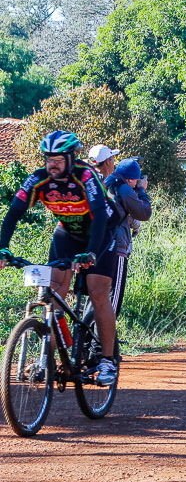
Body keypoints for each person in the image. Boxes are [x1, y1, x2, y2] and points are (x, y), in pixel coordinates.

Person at [0, 131, 119, 385]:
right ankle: (48, 357)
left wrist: (91, 254)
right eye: (48, 158)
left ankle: (108, 360)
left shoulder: (85, 176)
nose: (51, 164)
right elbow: (13, 213)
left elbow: (99, 217)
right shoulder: (37, 179)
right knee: (53, 294)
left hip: (101, 232)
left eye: (57, 159)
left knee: (97, 290)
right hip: (67, 233)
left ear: (70, 158)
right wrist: (3, 249)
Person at [103, 158, 152, 316]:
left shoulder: (108, 183)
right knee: (114, 300)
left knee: (99, 297)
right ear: (130, 178)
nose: (136, 183)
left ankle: (95, 338)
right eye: (135, 180)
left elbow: (124, 211)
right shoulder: (124, 189)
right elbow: (145, 212)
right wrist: (142, 191)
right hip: (117, 248)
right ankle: (103, 339)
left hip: (100, 245)